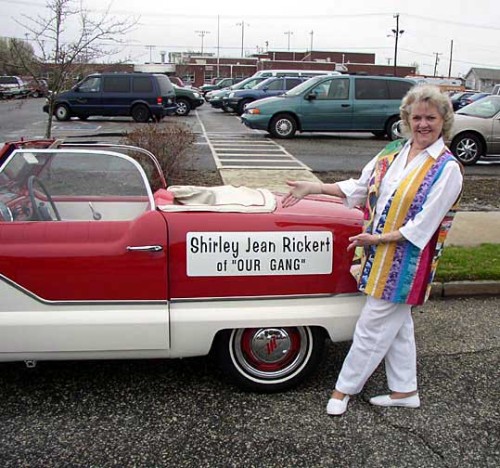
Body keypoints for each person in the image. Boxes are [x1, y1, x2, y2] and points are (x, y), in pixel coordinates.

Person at [281, 85, 463, 416]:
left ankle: (343, 390)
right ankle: (405, 390)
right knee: (399, 326)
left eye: (431, 118)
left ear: (444, 121)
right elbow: (360, 186)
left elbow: (423, 225)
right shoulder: (393, 152)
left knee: (371, 326)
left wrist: (376, 239)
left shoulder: (447, 168)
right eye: (416, 117)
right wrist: (315, 187)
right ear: (407, 118)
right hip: (378, 255)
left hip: (407, 264)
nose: (423, 124)